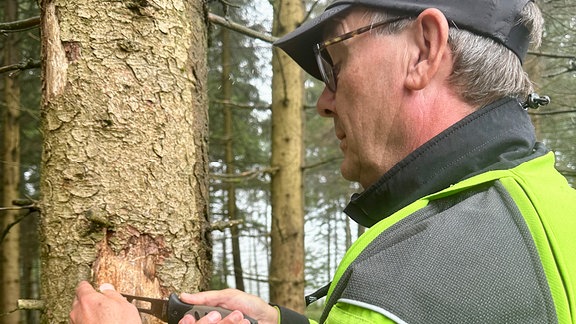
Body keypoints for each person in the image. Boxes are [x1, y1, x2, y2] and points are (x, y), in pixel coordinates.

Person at [70, 0, 576, 323]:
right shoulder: (545, 201)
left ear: (424, 49)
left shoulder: (410, 280)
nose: (323, 101)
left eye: (335, 64)